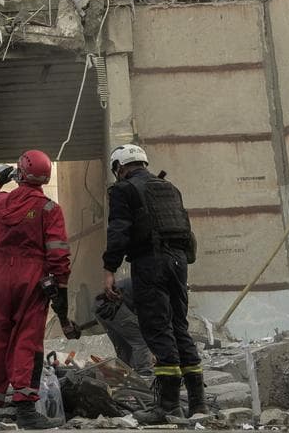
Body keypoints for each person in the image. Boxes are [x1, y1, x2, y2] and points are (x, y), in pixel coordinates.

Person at [102, 144, 205, 422]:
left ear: (120, 167)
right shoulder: (169, 188)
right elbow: (185, 228)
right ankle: (198, 403)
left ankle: (168, 405)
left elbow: (119, 231)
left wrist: (109, 268)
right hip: (178, 262)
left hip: (150, 263)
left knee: (158, 330)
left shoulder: (123, 190)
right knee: (179, 327)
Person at [0, 151, 71, 429]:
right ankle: (25, 410)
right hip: (32, 278)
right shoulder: (49, 208)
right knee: (27, 341)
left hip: (0, 277)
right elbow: (58, 252)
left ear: (19, 172)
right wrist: (60, 283)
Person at [93, 276, 154, 376]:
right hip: (112, 303)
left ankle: (125, 375)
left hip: (99, 304)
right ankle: (145, 375)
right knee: (141, 341)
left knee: (124, 345)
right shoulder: (160, 289)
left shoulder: (151, 278)